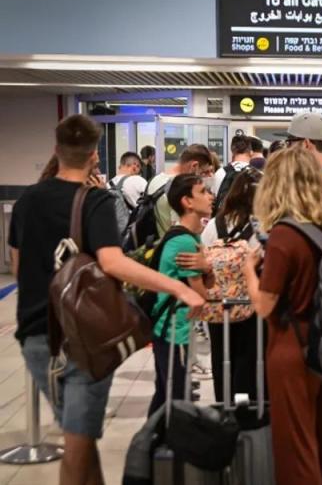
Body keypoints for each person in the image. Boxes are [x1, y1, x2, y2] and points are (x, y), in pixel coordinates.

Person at [10, 115, 203, 485]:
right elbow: (113, 262)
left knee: (81, 438)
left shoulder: (26, 201)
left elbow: (18, 269)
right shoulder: (94, 200)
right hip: (83, 336)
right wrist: (178, 287)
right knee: (77, 444)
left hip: (35, 335)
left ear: (57, 150)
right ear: (94, 154)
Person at [244, 146, 322, 485]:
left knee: (295, 445)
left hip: (292, 347)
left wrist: (248, 270)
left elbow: (264, 305)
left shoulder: (284, 235)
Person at [147, 174, 216, 417]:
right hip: (174, 331)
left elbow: (205, 282)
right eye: (203, 192)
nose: (210, 196)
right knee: (177, 399)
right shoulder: (185, 242)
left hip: (168, 328)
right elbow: (202, 295)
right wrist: (208, 269)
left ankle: (152, 438)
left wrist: (207, 269)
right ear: (187, 202)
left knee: (164, 395)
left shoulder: (187, 235)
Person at [197, 168, 264, 401]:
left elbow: (203, 257)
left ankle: (223, 406)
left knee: (221, 359)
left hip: (219, 305)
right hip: (250, 306)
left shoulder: (214, 225)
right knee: (248, 361)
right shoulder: (261, 226)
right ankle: (244, 407)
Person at [146, 145, 215, 237]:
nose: (202, 178)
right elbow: (181, 226)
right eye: (203, 173)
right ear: (194, 166)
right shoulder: (178, 188)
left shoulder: (155, 180)